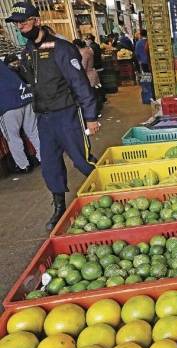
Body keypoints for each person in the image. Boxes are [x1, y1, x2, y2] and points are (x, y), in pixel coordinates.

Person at [6, 2, 99, 230]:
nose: (21, 27)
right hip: (44, 118)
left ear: (37, 21)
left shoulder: (61, 49)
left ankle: (106, 192)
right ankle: (58, 205)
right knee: (49, 165)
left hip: (67, 114)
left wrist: (90, 116)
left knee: (81, 159)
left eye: (25, 22)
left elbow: (80, 84)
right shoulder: (28, 53)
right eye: (17, 24)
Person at [0, 60, 41, 173]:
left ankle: (24, 166)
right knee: (34, 132)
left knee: (12, 137)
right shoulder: (3, 66)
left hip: (8, 106)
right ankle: (44, 158)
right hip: (26, 99)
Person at [73, 39, 102, 116]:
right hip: (92, 73)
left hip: (88, 76)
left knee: (91, 95)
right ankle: (98, 110)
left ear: (76, 46)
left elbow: (83, 66)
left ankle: (96, 111)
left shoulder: (83, 52)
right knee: (95, 93)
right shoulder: (88, 49)